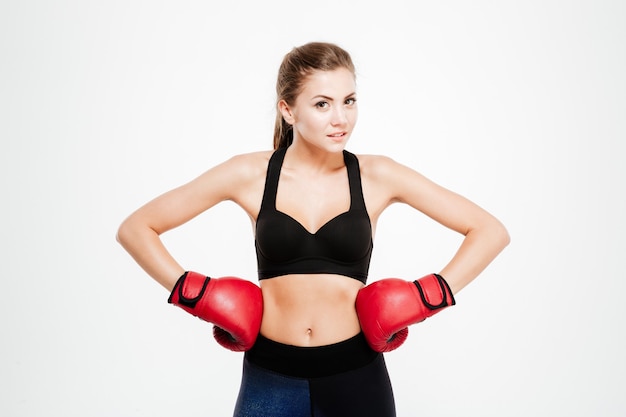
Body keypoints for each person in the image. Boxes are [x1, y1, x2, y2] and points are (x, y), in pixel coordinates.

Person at [116, 41, 510, 417]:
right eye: (322, 104)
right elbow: (137, 228)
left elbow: (489, 231)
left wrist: (426, 296)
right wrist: (197, 294)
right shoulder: (249, 174)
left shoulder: (378, 175)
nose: (341, 119)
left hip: (356, 374)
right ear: (288, 110)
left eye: (349, 101)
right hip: (271, 375)